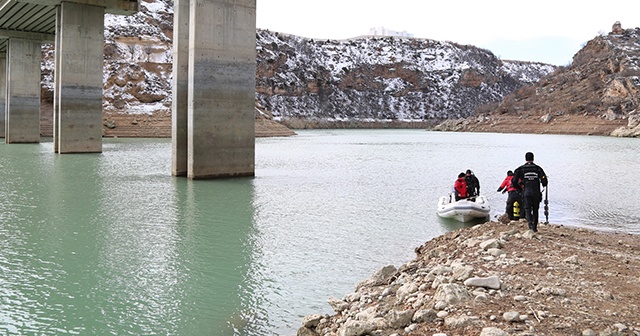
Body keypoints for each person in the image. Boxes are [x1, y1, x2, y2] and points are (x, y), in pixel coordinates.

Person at [512, 152, 548, 232]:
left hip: (526, 192)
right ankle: (534, 227)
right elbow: (545, 181)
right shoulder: (538, 168)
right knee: (535, 209)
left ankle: (530, 225)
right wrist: (542, 184)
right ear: (533, 158)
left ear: (525, 159)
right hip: (536, 192)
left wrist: (519, 188)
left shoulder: (521, 169)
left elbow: (513, 181)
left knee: (527, 208)